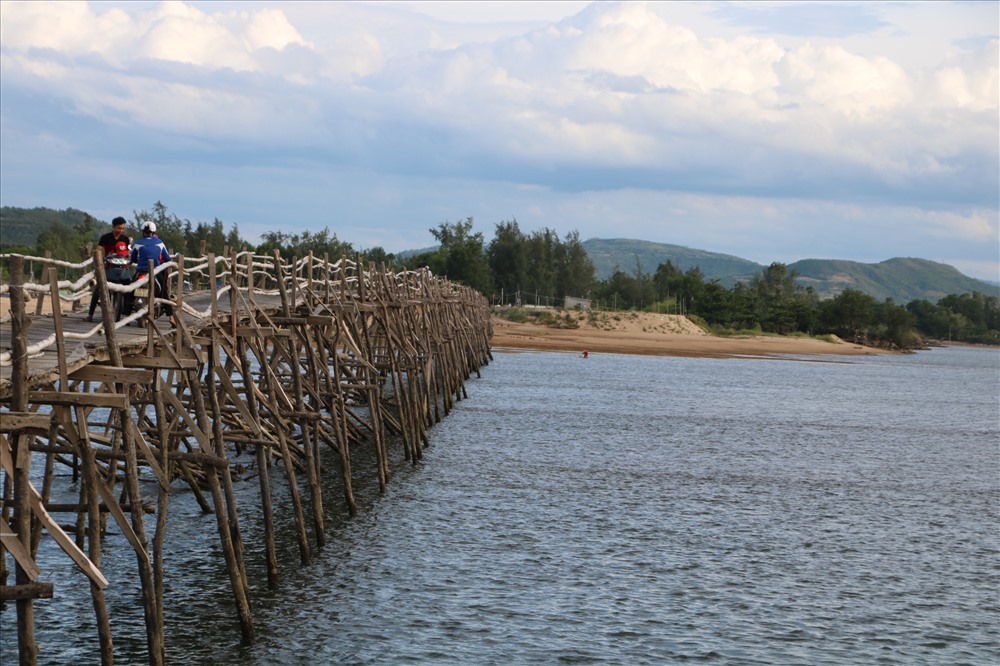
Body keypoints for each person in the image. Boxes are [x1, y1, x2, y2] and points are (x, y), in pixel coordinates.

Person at [86, 216, 132, 321]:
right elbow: (98, 250)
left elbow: (129, 252)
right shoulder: (105, 237)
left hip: (123, 268)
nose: (120, 231)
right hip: (109, 267)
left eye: (123, 228)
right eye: (118, 228)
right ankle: (90, 314)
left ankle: (127, 315)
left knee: (129, 288)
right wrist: (100, 259)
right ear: (113, 227)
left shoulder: (125, 239)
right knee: (98, 290)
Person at [131, 221, 175, 325]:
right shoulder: (159, 243)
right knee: (164, 291)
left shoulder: (138, 243)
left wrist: (139, 261)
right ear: (153, 232)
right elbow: (167, 258)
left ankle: (127, 312)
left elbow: (133, 258)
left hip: (140, 271)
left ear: (143, 232)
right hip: (155, 272)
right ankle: (171, 317)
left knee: (130, 289)